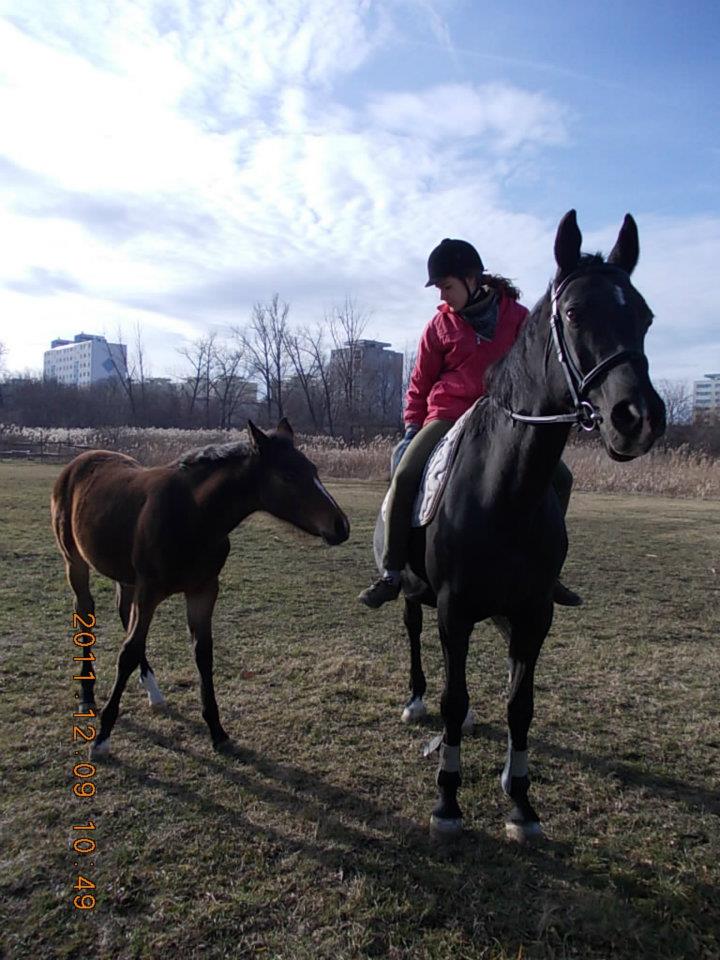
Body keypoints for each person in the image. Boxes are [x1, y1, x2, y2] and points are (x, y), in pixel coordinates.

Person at [358, 237, 581, 609]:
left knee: (561, 477)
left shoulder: (517, 317)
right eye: (439, 289)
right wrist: (412, 426)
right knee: (406, 473)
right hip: (447, 416)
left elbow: (534, 368)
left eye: (446, 286)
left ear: (471, 279)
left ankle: (548, 570)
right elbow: (419, 382)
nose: (442, 296)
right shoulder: (438, 326)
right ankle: (392, 573)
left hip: (503, 417)